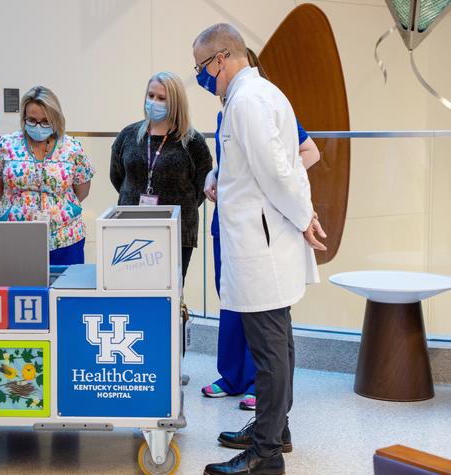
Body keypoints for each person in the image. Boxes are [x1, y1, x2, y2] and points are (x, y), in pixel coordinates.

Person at [193, 24, 326, 475]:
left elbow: (278, 172)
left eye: (202, 68)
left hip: (261, 242)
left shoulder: (248, 100)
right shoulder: (258, 95)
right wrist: (219, 178)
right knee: (278, 340)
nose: (203, 77)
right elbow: (255, 167)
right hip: (263, 237)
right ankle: (275, 429)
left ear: (221, 59)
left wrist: (305, 216)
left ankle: (265, 454)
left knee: (269, 349)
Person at [110, 71, 213, 282]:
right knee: (131, 287)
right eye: (150, 96)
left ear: (174, 102)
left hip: (176, 231)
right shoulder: (128, 135)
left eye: (161, 98)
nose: (153, 102)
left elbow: (201, 185)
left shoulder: (193, 142)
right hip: (131, 228)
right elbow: (117, 176)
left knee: (170, 290)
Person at [0, 86, 94, 265]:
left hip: (65, 236)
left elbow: (82, 189)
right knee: (21, 291)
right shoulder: (7, 144)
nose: (38, 126)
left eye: (45, 121)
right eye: (32, 120)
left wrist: (61, 210)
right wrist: (17, 207)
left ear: (55, 119)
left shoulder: (72, 147)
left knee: (64, 289)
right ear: (24, 118)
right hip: (17, 237)